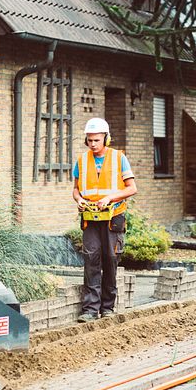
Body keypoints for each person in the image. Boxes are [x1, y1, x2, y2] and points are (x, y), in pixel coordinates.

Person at [72, 118, 137, 323]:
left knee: (110, 259)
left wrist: (110, 198)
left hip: (113, 218)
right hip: (90, 218)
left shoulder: (119, 158)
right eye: (89, 140)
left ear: (106, 139)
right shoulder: (82, 161)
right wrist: (79, 199)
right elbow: (76, 189)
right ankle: (90, 309)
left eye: (97, 140)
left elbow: (132, 188)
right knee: (91, 260)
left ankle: (107, 307)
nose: (93, 144)